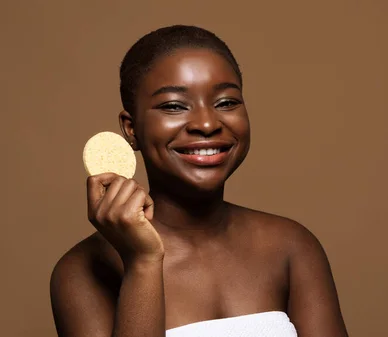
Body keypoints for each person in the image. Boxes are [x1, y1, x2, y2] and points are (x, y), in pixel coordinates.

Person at [49, 25, 349, 337]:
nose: (207, 123)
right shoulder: (82, 271)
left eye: (226, 103)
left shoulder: (291, 246)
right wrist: (142, 262)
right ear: (131, 129)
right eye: (174, 106)